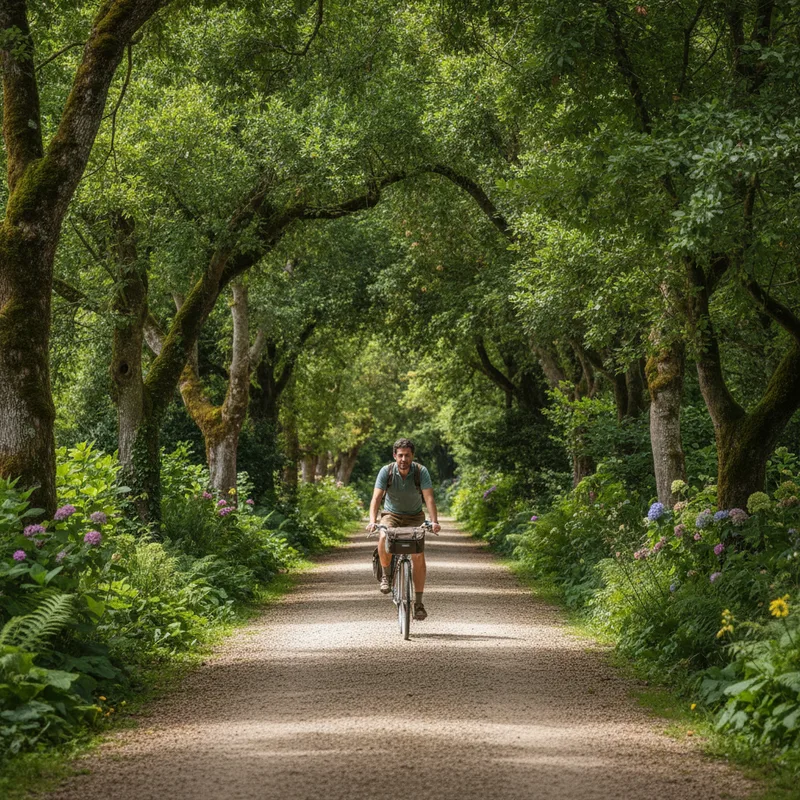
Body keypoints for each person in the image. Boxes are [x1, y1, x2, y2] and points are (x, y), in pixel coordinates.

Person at [366, 438, 441, 621]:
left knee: (418, 554)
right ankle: (386, 576)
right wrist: (372, 520)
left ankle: (419, 603)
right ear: (394, 455)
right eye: (400, 455)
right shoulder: (387, 471)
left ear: (412, 456)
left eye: (407, 455)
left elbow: (429, 498)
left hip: (415, 516)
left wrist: (434, 521)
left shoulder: (420, 471)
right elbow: (376, 499)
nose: (403, 459)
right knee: (383, 537)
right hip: (391, 515)